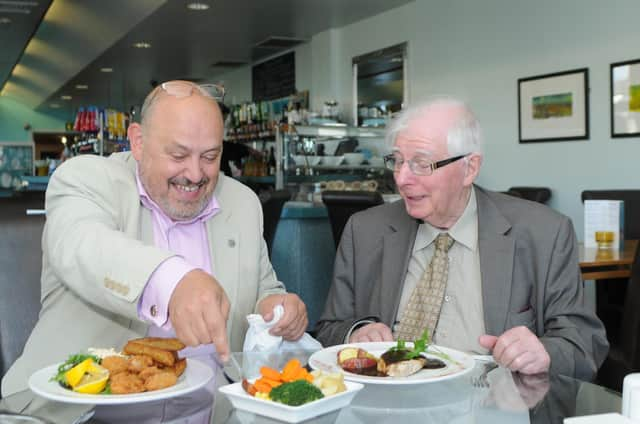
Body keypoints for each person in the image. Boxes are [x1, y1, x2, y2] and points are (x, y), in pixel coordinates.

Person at [1, 81, 308, 408]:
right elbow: (81, 245)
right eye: (178, 154)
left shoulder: (243, 203)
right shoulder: (86, 179)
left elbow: (262, 287)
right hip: (79, 414)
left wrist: (277, 306)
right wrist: (173, 282)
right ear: (138, 141)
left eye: (210, 156)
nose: (195, 174)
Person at [314, 97, 608, 379]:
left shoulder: (544, 233)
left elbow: (584, 343)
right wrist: (356, 332)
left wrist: (545, 352)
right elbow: (327, 330)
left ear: (470, 168)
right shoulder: (365, 230)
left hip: (492, 403)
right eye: (397, 161)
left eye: (421, 163)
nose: (402, 178)